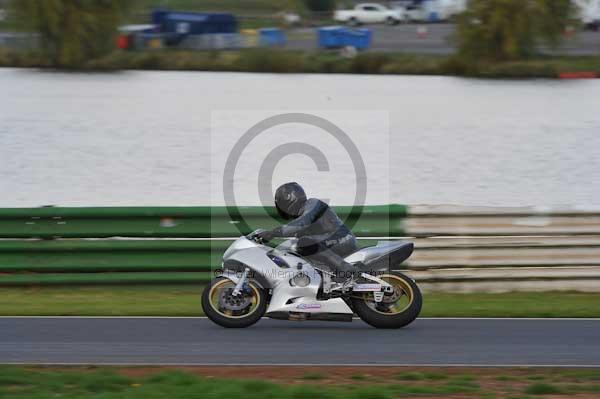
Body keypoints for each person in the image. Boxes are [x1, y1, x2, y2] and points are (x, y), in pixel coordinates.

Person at [256, 182, 362, 282]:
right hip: (329, 242)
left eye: (281, 203)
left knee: (305, 242)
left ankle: (347, 269)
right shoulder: (301, 215)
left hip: (342, 238)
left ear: (289, 199)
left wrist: (273, 233)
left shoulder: (312, 204)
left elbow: (302, 223)